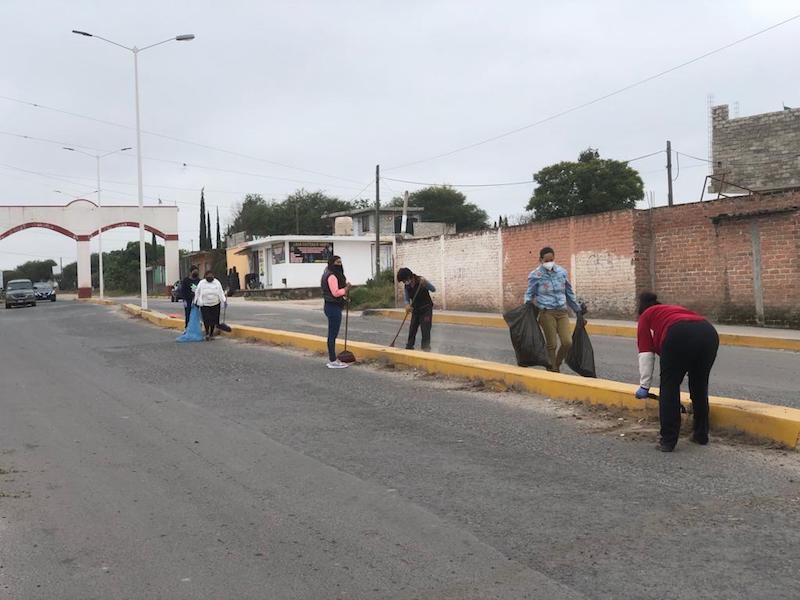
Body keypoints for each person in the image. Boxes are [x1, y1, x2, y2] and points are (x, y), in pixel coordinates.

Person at [635, 292, 719, 452]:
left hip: (678, 334)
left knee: (669, 386)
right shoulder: (671, 309)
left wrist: (644, 386)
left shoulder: (645, 316)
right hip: (708, 332)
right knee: (699, 384)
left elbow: (645, 354)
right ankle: (701, 435)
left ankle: (668, 440)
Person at [524, 246, 585, 372]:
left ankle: (556, 363)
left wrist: (577, 308)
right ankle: (552, 369)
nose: (549, 263)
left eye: (551, 259)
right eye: (546, 261)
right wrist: (527, 306)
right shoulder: (535, 275)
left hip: (562, 312)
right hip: (547, 312)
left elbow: (569, 292)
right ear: (540, 260)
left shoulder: (561, 272)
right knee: (552, 344)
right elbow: (529, 293)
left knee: (567, 342)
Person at [321, 255, 351, 369]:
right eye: (337, 262)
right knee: (332, 334)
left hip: (332, 305)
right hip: (332, 307)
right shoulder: (332, 276)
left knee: (332, 334)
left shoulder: (328, 273)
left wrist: (345, 297)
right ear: (332, 263)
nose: (339, 264)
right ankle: (333, 360)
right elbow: (335, 292)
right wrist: (346, 289)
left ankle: (333, 359)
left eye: (340, 262)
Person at [396, 268, 436, 351]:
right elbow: (407, 298)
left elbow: (433, 289)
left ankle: (425, 349)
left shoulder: (421, 281)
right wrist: (407, 305)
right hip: (416, 310)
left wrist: (426, 284)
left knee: (425, 330)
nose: (404, 282)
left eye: (404, 280)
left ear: (409, 277)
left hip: (426, 309)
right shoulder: (407, 286)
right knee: (412, 329)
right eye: (403, 281)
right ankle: (409, 347)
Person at [194, 270, 227, 340]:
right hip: (205, 304)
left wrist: (224, 300)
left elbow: (220, 292)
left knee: (214, 320)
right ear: (205, 276)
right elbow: (197, 292)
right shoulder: (201, 283)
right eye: (208, 276)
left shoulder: (217, 282)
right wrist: (195, 301)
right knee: (206, 320)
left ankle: (211, 333)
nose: (210, 277)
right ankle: (207, 333)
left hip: (215, 304)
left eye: (211, 275)